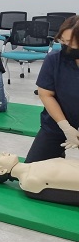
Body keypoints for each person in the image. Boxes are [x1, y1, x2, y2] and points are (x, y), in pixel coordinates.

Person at [25, 16, 79, 163]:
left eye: (71, 43)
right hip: (57, 124)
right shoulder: (54, 59)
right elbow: (46, 94)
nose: (66, 46)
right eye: (63, 41)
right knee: (32, 171)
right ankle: (56, 156)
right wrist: (66, 127)